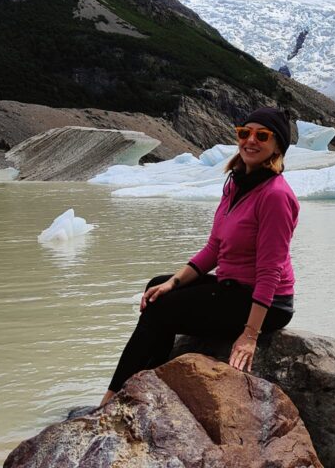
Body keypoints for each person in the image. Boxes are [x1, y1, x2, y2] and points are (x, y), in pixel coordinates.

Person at [100, 106, 300, 406]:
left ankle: (113, 397)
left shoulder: (275, 196)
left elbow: (271, 270)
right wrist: (174, 282)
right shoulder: (235, 185)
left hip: (266, 304)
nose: (251, 141)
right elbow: (215, 249)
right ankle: (147, 380)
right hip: (233, 287)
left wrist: (249, 335)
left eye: (263, 135)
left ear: (277, 146)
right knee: (157, 288)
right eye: (244, 133)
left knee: (160, 311)